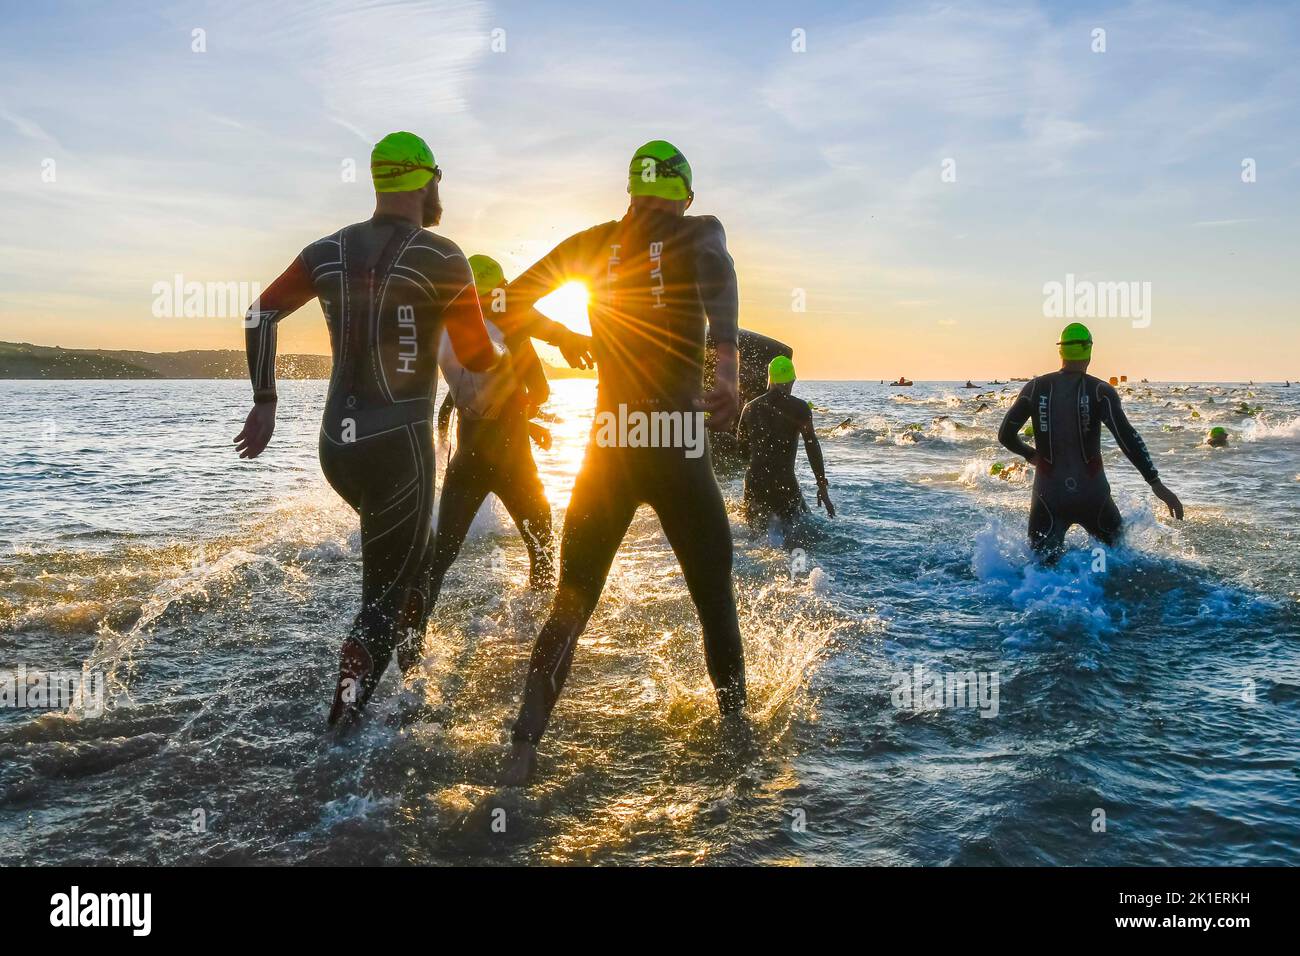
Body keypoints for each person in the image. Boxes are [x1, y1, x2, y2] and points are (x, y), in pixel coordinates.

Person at [234, 131, 591, 730]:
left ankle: (412, 671)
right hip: (400, 446)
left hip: (336, 445)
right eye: (437, 180)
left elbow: (259, 313)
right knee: (383, 594)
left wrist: (265, 401)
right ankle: (342, 728)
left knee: (414, 560)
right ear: (425, 181)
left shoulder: (326, 251)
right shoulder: (442, 256)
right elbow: (477, 360)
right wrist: (518, 363)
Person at [493, 139, 746, 783]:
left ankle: (523, 748)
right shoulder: (699, 233)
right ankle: (738, 741)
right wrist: (727, 364)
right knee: (714, 603)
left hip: (608, 443)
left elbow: (507, 302)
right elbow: (719, 274)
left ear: (631, 191)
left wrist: (566, 337)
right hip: (679, 442)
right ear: (683, 192)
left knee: (570, 607)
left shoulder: (596, 241)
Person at [395, 255, 559, 675]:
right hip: (513, 465)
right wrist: (526, 412)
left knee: (440, 555)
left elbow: (452, 405)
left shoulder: (453, 337)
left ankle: (411, 643)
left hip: (467, 463)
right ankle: (536, 631)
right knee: (541, 544)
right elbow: (537, 390)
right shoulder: (514, 335)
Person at [997, 323, 1183, 561]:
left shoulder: (1035, 388)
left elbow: (1005, 435)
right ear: (1089, 350)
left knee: (1041, 573)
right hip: (1093, 495)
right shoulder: (1100, 391)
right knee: (1117, 564)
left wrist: (1030, 455)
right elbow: (1126, 436)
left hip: (1049, 495)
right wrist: (1155, 483)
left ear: (1061, 351)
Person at [736, 355, 834, 537]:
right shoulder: (800, 408)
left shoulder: (749, 407)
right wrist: (822, 487)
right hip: (784, 483)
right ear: (792, 380)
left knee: (754, 536)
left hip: (754, 482)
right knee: (802, 534)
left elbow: (741, 450)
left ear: (770, 380)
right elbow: (812, 446)